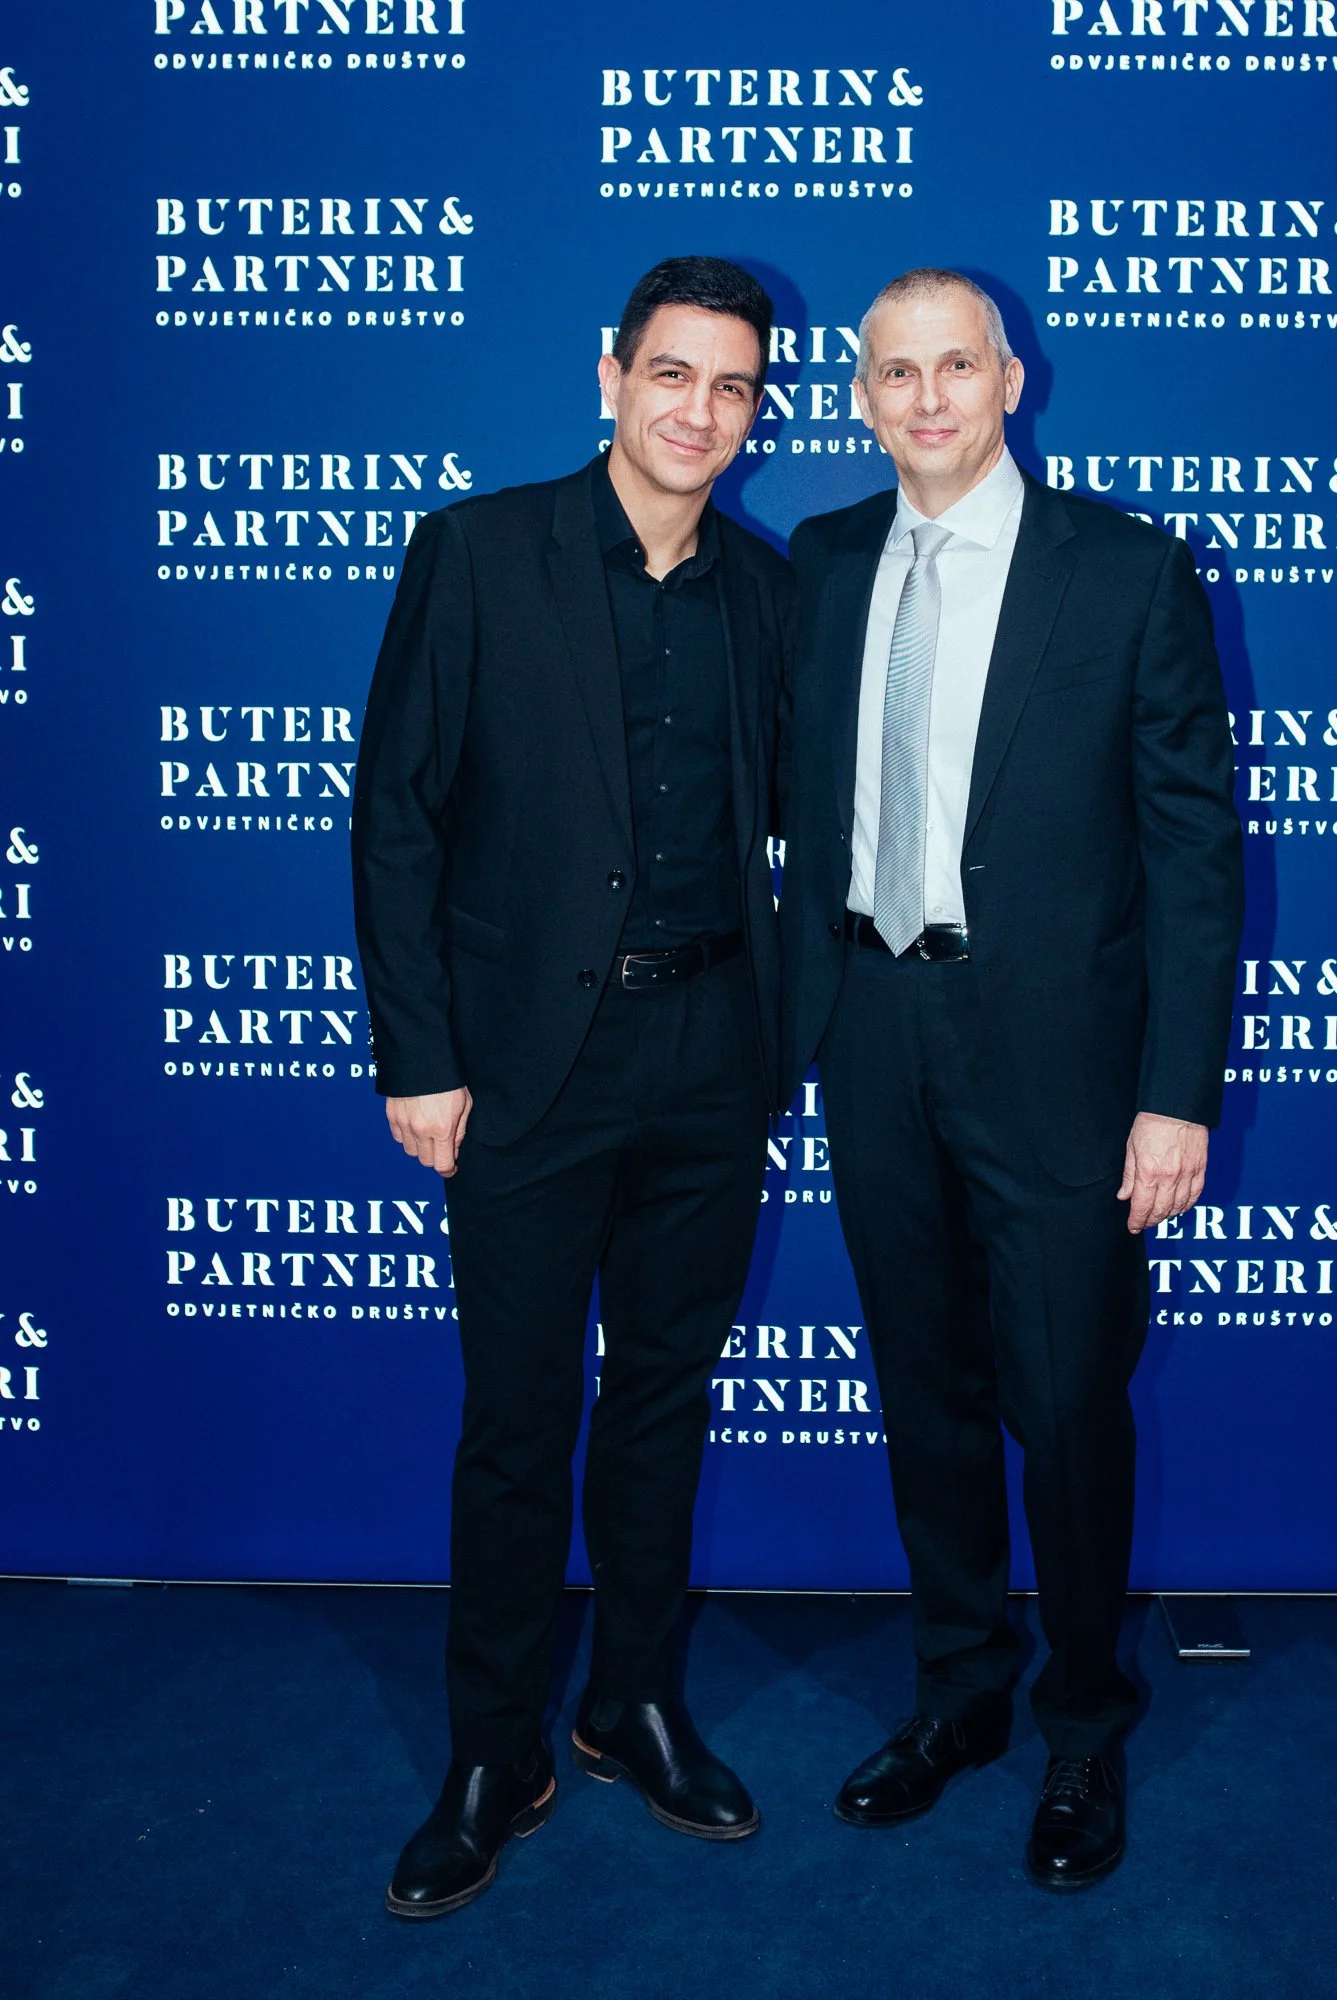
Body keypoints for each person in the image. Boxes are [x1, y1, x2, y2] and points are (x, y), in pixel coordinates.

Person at [779, 269, 1244, 1890]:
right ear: (857, 393)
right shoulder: (827, 564)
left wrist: (1174, 1092)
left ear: (1012, 379)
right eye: (894, 371)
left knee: (1063, 1398)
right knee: (927, 1392)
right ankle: (958, 1694)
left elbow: (1193, 855)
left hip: (1059, 1062)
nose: (924, 398)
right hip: (873, 1032)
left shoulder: (1124, 571)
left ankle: (1081, 1729)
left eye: (954, 366)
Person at [352, 257, 791, 1920]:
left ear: (759, 408)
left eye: (733, 386)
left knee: (664, 1407)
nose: (699, 411)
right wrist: (421, 1055)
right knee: (519, 1420)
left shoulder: (764, 595)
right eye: (672, 375)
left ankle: (630, 1704)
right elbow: (395, 814)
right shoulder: (475, 553)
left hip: (709, 1066)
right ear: (609, 375)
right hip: (525, 1075)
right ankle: (494, 1751)